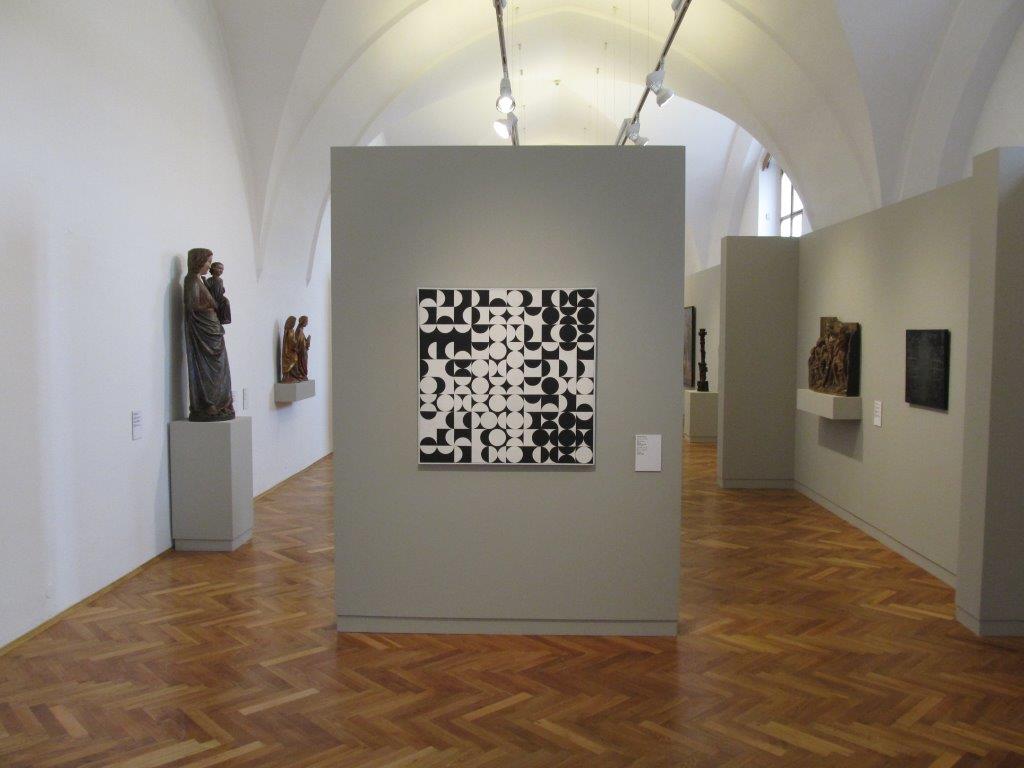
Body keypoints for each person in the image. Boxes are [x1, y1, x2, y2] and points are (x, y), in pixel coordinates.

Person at [183, 248, 234, 421]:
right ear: (198, 261)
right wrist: (212, 305)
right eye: (208, 262)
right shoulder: (191, 281)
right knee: (207, 369)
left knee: (220, 367)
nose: (210, 266)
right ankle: (208, 403)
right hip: (203, 332)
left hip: (213, 329)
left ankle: (221, 402)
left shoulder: (202, 281)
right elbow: (192, 306)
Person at [281, 316, 299, 382]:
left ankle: (292, 376)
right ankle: (286, 376)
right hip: (288, 350)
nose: (293, 324)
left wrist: (295, 344)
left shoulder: (292, 331)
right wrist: (294, 345)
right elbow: (287, 342)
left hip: (292, 349)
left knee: (295, 358)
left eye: (294, 323)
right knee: (293, 359)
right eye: (292, 323)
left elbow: (293, 339)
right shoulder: (287, 331)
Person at [295, 315, 311, 380]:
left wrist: (307, 340)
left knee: (304, 363)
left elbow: (302, 341)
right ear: (303, 321)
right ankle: (302, 374)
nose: (307, 323)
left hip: (303, 350)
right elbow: (297, 341)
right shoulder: (299, 330)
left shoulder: (301, 329)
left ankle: (303, 374)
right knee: (302, 363)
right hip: (301, 352)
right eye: (306, 321)